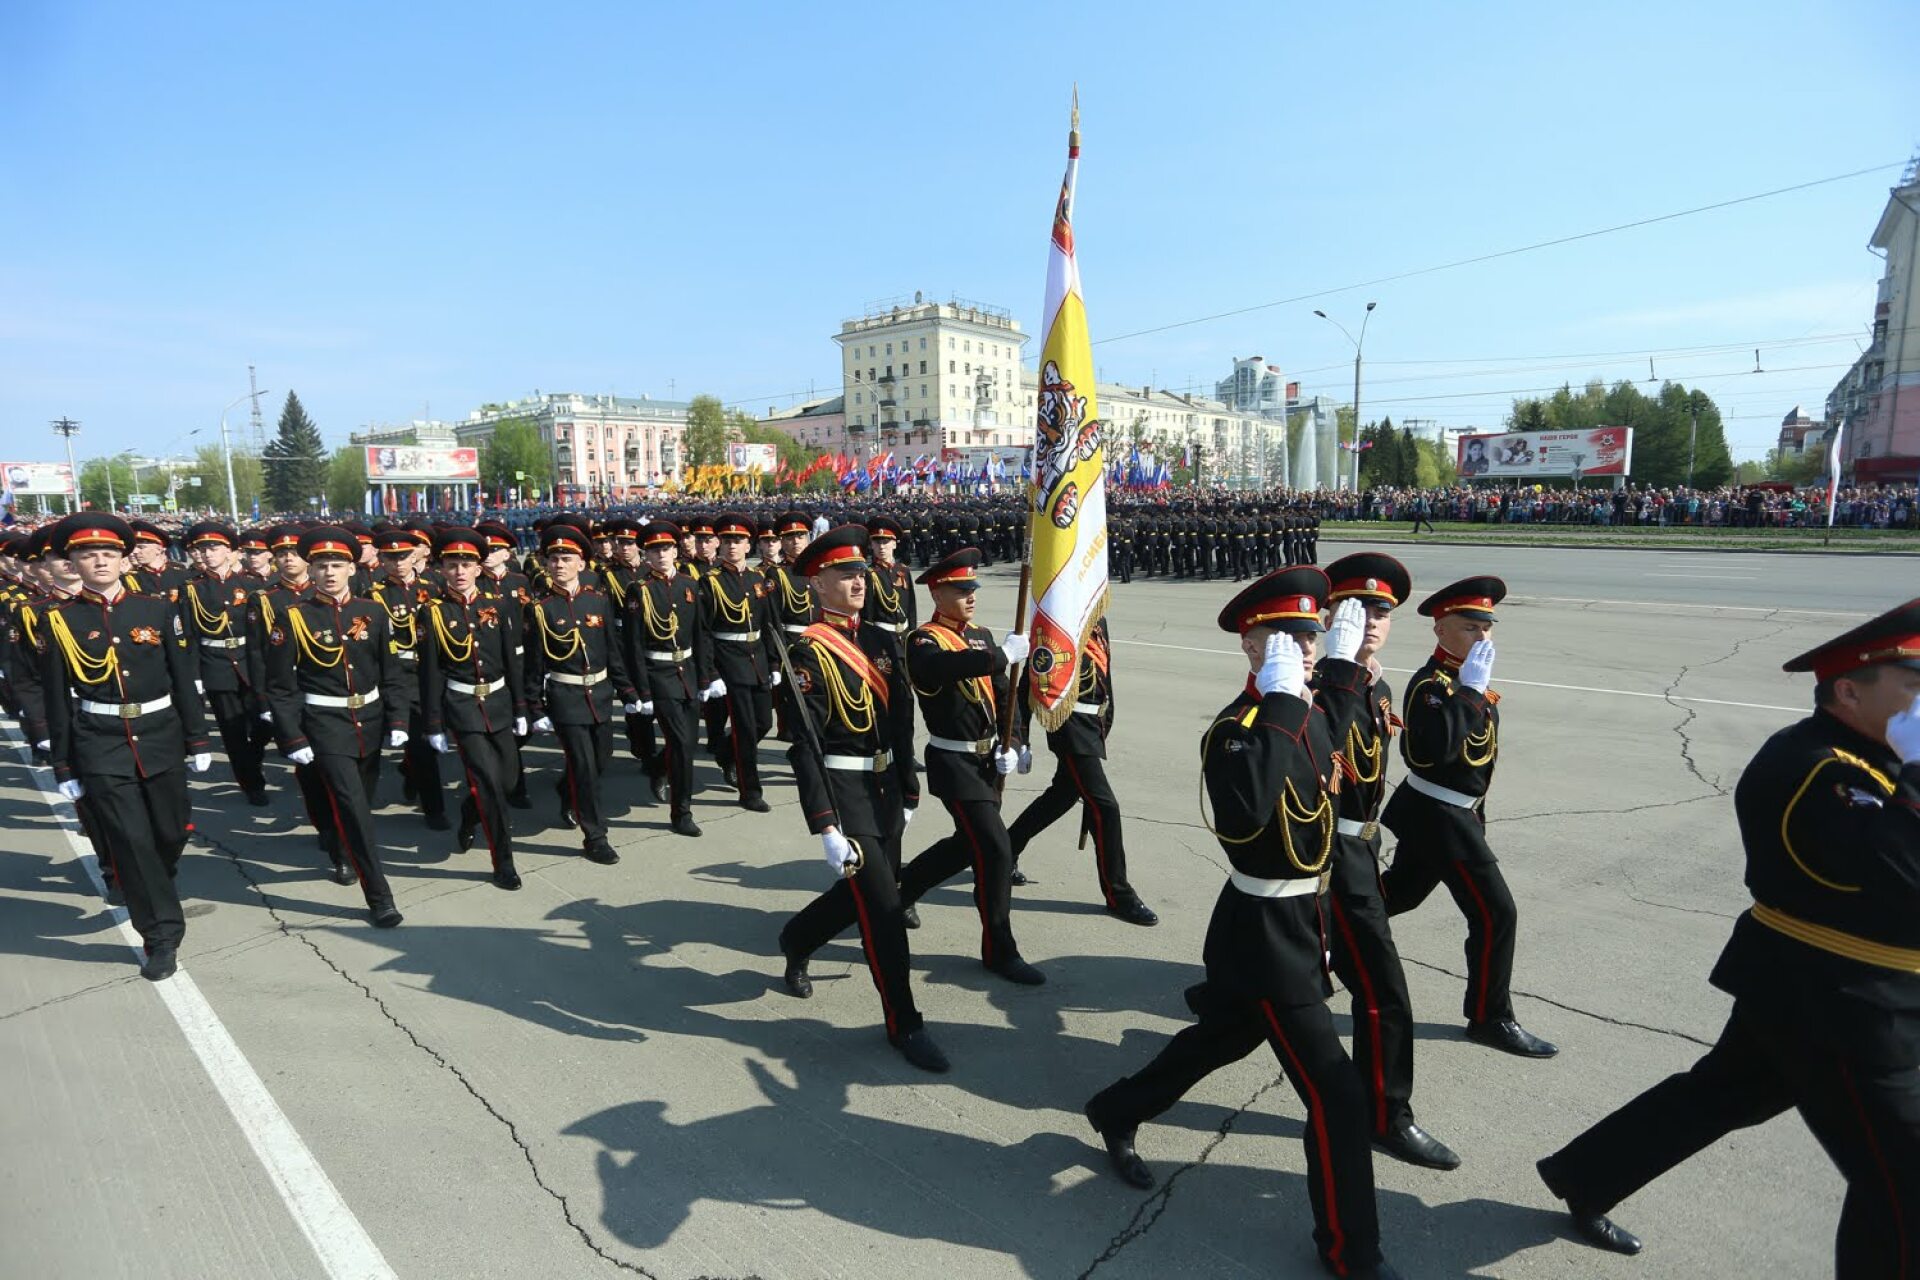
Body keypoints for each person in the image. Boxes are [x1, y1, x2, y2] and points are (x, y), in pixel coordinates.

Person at [1538, 600, 1920, 1267]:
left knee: (1723, 1095)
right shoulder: (1822, 771)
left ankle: (1586, 1175)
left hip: (1811, 987)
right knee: (1902, 1181)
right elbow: (1905, 878)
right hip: (1843, 1005)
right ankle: (1585, 1176)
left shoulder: (1868, 756)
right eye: (1914, 685)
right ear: (1850, 691)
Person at [1084, 566, 1400, 1280]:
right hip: (1265, 932)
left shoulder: (1308, 707)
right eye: (1289, 635)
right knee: (1338, 1093)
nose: (1306, 646)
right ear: (1251, 645)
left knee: (1219, 1040)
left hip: (1302, 919)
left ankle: (1115, 1109)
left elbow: (1349, 761)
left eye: (1312, 634)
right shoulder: (1238, 728)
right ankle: (1351, 1252)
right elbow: (1249, 810)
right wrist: (1283, 703)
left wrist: (1345, 674)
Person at [774, 526, 947, 1072]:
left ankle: (797, 937)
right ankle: (905, 1023)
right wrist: (825, 824)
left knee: (863, 895)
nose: (858, 583)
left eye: (861, 574)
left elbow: (901, 717)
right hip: (846, 794)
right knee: (884, 911)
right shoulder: (807, 652)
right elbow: (805, 746)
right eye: (844, 575)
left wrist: (909, 783)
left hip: (886, 788)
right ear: (817, 583)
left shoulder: (880, 639)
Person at [1313, 553, 1461, 1171]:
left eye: (1381, 611)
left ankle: (1129, 1101)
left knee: (1252, 1012)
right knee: (1385, 993)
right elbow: (1317, 760)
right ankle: (1387, 1116)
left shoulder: (1377, 683)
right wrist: (1338, 671)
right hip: (1329, 859)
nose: (1371, 620)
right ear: (1329, 618)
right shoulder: (1316, 683)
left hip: (1361, 851)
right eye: (1357, 609)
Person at [1379, 576, 1557, 1058]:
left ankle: (1311, 943)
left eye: (1487, 628)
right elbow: (1429, 752)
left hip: (1455, 817)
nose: (1482, 637)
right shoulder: (1431, 686)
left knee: (1396, 895)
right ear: (1440, 630)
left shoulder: (1467, 681)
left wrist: (1474, 690)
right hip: (1439, 818)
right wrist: (1472, 694)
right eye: (1470, 627)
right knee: (1496, 914)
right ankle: (1489, 1017)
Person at [41, 513, 213, 980]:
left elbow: (182, 678)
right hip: (100, 742)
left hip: (160, 733)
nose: (99, 561)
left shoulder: (156, 610)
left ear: (123, 560)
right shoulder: (58, 620)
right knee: (132, 843)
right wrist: (63, 764)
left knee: (170, 833)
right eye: (87, 554)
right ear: (73, 563)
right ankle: (160, 936)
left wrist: (198, 737)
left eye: (108, 553)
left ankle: (156, 880)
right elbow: (56, 698)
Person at [894, 549, 1045, 985]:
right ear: (937, 594)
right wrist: (1000, 656)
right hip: (954, 763)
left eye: (973, 588)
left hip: (987, 763)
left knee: (966, 844)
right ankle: (999, 950)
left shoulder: (981, 636)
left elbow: (1006, 697)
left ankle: (903, 890)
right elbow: (940, 669)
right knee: (996, 850)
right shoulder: (923, 641)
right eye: (961, 590)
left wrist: (1014, 742)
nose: (971, 596)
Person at [262, 526, 407, 927]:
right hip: (325, 724)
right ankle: (380, 897)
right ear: (311, 570)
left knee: (361, 800)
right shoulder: (294, 617)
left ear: (351, 569)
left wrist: (398, 717)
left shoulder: (373, 612)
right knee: (355, 809)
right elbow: (280, 685)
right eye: (322, 565)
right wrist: (292, 735)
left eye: (337, 565)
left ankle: (341, 849)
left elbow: (391, 670)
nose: (329, 572)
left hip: (370, 721)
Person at [1006, 615, 1158, 926]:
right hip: (1069, 727)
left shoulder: (1097, 617)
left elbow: (1104, 675)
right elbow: (1029, 684)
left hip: (1091, 725)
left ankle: (1005, 850)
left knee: (1062, 795)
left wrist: (1105, 724)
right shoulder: (1056, 616)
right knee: (1106, 806)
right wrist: (1019, 738)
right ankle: (1118, 894)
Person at [524, 520, 640, 865]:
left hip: (600, 694)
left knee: (601, 758)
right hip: (565, 697)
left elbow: (611, 651)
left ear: (582, 563)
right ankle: (596, 836)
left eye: (566, 558)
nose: (559, 564)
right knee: (585, 767)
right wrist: (535, 706)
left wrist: (627, 690)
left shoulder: (598, 601)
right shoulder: (540, 608)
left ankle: (567, 789)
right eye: (553, 559)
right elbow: (533, 664)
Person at [419, 528, 528, 889]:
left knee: (508, 780)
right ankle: (503, 862)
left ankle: (470, 813)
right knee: (490, 784)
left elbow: (512, 659)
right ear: (442, 570)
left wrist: (522, 706)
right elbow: (430, 671)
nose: (460, 572)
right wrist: (434, 723)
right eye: (452, 565)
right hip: (463, 706)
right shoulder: (432, 612)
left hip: (498, 700)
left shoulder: (498, 604)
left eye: (467, 565)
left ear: (479, 569)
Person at [177, 521, 271, 805]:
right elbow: (190, 635)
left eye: (214, 547)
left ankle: (253, 757)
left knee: (264, 723)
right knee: (233, 731)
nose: (207, 554)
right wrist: (195, 675)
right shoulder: (192, 589)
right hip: (215, 665)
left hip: (250, 661)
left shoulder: (252, 584)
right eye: (203, 549)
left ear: (231, 551)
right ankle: (252, 783)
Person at [627, 519, 708, 837]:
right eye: (654, 550)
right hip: (658, 675)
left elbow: (700, 634)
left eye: (666, 548)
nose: (661, 554)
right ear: (646, 556)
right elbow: (634, 645)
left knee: (688, 742)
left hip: (687, 671)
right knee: (683, 744)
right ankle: (682, 812)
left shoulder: (690, 584)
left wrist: (705, 678)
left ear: (676, 551)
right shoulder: (639, 590)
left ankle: (659, 767)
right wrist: (642, 691)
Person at [699, 513, 783, 811]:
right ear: (720, 546)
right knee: (745, 730)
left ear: (749, 546)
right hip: (729, 662)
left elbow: (770, 625)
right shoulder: (710, 582)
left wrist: (774, 663)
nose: (732, 546)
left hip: (757, 659)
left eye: (738, 541)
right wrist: (711, 673)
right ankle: (750, 792)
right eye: (727, 541)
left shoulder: (758, 579)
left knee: (763, 723)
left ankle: (724, 752)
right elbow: (703, 632)